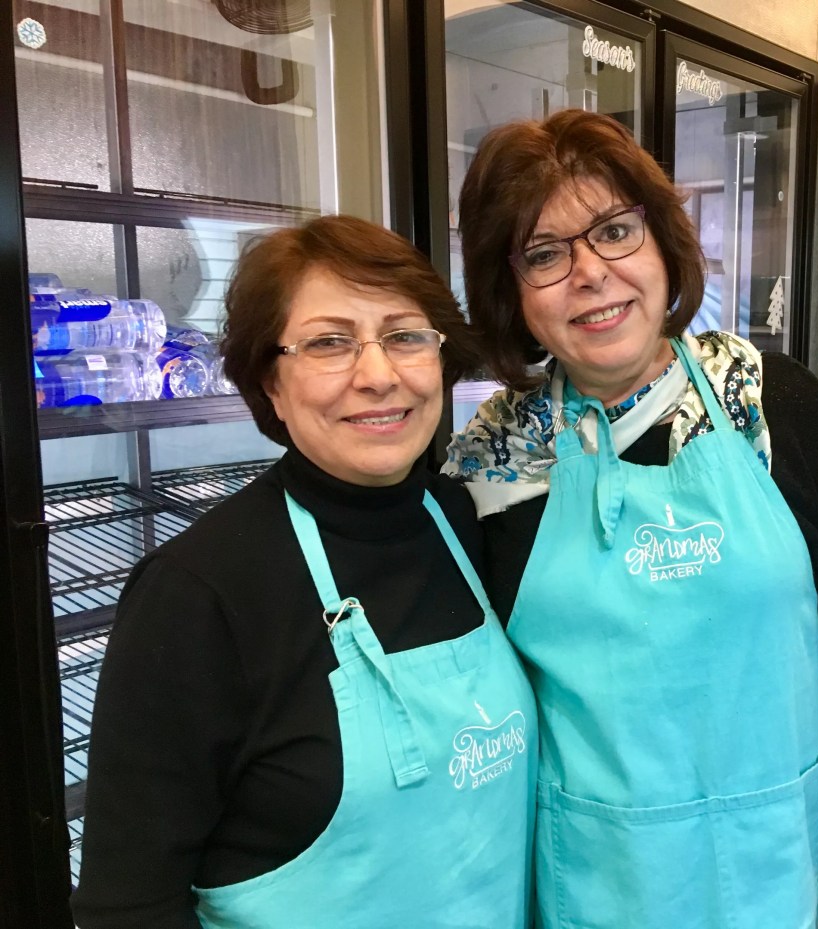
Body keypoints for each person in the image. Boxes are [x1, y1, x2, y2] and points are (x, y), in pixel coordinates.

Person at [444, 109, 818, 928]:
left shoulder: (775, 406)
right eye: (545, 253)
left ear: (664, 246)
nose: (591, 273)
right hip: (593, 884)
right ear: (512, 292)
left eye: (615, 231)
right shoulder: (489, 465)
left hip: (784, 869)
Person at [72, 216, 535, 929]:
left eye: (405, 335)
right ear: (271, 383)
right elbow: (128, 903)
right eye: (328, 342)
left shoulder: (465, 518)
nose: (378, 375)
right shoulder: (197, 596)